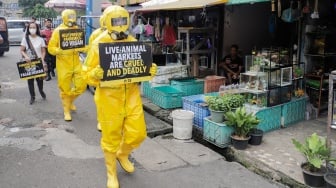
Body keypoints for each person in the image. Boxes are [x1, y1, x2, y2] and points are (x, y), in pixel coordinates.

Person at [83, 5, 157, 188]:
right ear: (107, 21)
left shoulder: (132, 40)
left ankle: (122, 153)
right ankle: (111, 173)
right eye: (115, 21)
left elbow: (138, 65)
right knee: (111, 137)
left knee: (138, 133)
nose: (119, 25)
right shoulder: (98, 43)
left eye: (122, 21)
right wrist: (95, 75)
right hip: (109, 97)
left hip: (131, 94)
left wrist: (149, 69)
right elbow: (85, 72)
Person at [48, 9, 87, 121]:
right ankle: (66, 111)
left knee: (81, 86)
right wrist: (58, 51)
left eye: (73, 16)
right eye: (69, 16)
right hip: (63, 64)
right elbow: (50, 48)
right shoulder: (58, 31)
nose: (71, 19)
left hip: (76, 63)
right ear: (64, 17)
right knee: (65, 89)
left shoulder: (77, 30)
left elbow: (81, 45)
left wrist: (85, 48)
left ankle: (69, 101)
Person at [20, 22, 47, 105]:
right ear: (28, 29)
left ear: (37, 28)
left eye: (34, 27)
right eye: (30, 27)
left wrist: (42, 59)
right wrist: (26, 56)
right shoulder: (25, 39)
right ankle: (32, 96)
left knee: (40, 80)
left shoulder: (41, 39)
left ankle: (41, 91)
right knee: (30, 81)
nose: (32, 29)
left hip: (38, 62)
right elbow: (21, 50)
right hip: (29, 63)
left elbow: (43, 51)